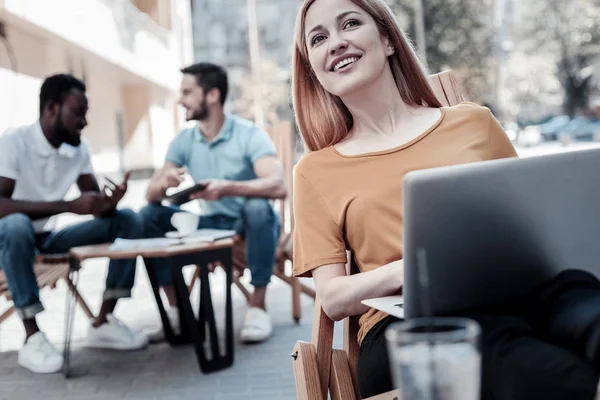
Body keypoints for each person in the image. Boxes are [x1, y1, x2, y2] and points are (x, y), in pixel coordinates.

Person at [291, 0, 600, 399]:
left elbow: (532, 226)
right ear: (314, 69)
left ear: (387, 39)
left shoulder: (474, 123)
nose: (335, 43)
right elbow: (332, 298)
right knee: (504, 352)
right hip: (408, 327)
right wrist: (407, 272)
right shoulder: (315, 170)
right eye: (318, 39)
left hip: (516, 293)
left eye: (350, 23)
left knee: (582, 299)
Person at [0, 74, 148, 374]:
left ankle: (103, 322)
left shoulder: (77, 149)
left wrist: (109, 204)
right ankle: (32, 336)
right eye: (78, 113)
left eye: (85, 113)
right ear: (52, 108)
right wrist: (67, 206)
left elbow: (94, 205)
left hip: (48, 238)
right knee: (16, 225)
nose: (84, 121)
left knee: (129, 220)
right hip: (9, 238)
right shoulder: (14, 143)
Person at [139, 62, 286, 343]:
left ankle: (257, 307)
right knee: (149, 215)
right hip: (208, 225)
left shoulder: (248, 134)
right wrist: (162, 182)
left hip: (246, 226)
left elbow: (278, 186)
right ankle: (177, 310)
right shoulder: (184, 140)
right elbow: (151, 195)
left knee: (258, 206)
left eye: (187, 92)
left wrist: (226, 188)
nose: (180, 100)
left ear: (212, 95)